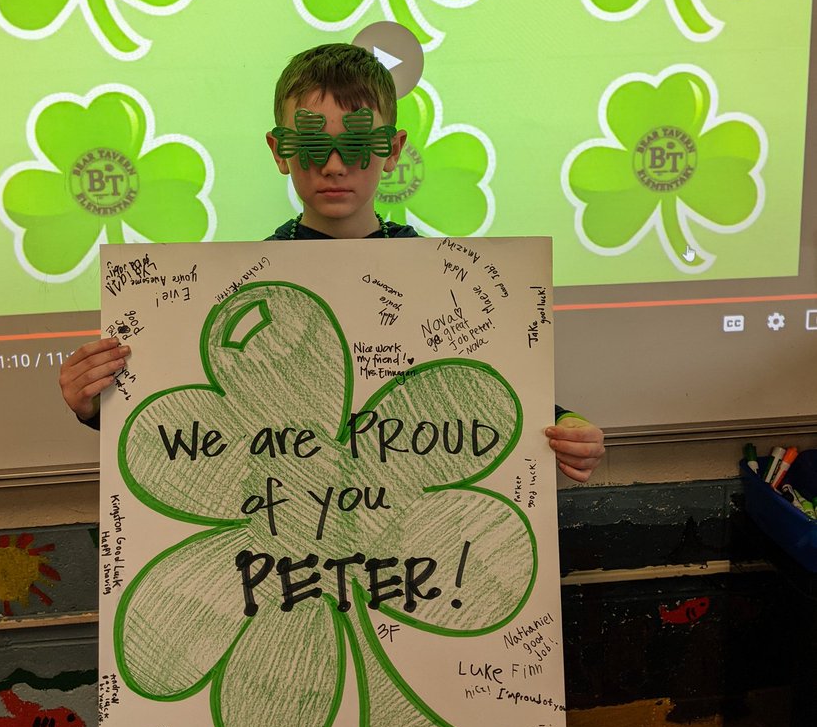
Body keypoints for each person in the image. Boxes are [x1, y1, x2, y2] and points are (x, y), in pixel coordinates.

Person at [60, 44, 605, 483]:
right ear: (279, 151)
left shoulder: (446, 283)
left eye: (360, 142)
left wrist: (566, 425)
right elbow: (190, 421)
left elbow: (495, 387)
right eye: (312, 144)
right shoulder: (240, 293)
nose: (336, 165)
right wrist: (95, 402)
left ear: (393, 150)